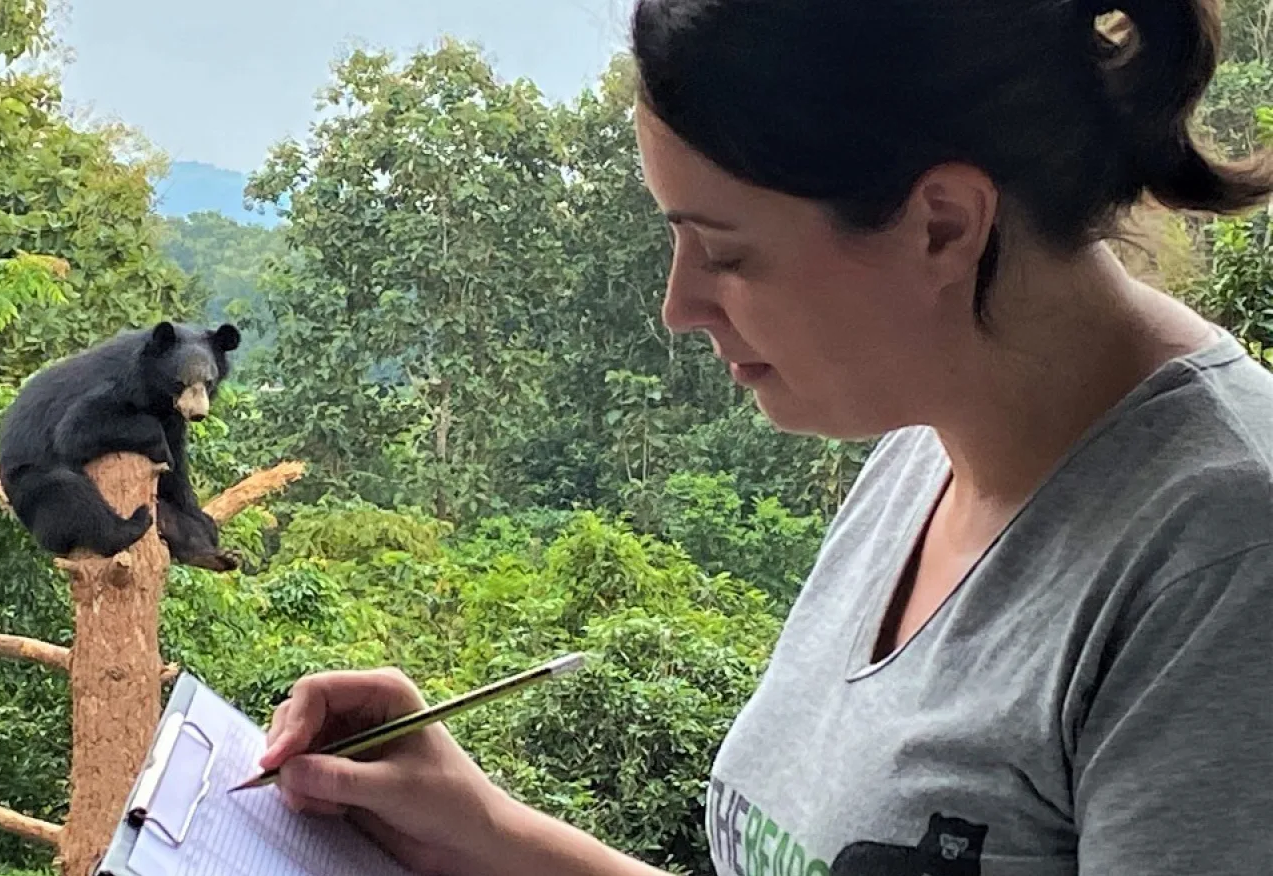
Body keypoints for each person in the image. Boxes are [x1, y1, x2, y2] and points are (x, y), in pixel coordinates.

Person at [257, 0, 1273, 872]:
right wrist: (480, 833)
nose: (680, 304)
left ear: (942, 226)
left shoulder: (1223, 563)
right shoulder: (927, 451)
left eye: (725, 251)